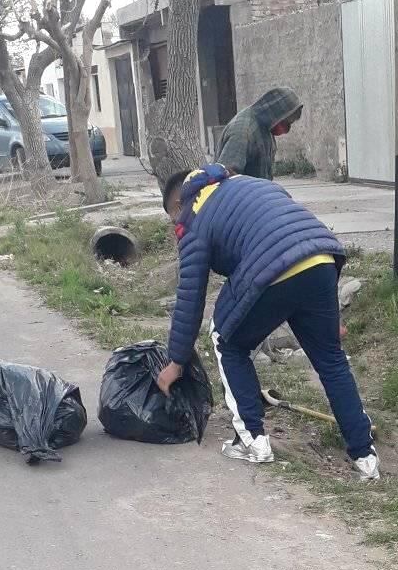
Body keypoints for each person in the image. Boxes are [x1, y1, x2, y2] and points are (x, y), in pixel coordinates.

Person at [155, 163, 379, 480]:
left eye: (172, 218)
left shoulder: (194, 216)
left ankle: (253, 441)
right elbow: (292, 231)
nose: (175, 225)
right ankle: (365, 457)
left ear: (179, 204)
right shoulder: (249, 183)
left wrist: (176, 361)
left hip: (273, 268)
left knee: (226, 338)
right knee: (330, 358)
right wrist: (331, 313)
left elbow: (190, 295)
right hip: (322, 259)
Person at [215, 87, 302, 180]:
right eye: (286, 124)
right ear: (275, 115)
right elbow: (225, 176)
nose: (286, 131)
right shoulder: (243, 132)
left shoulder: (266, 126)